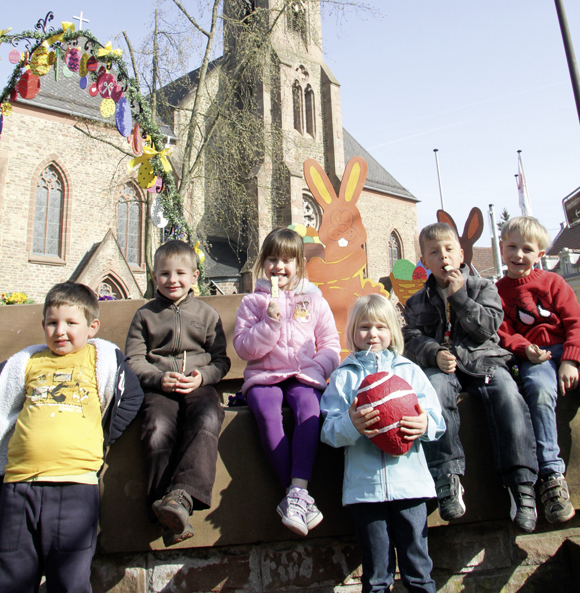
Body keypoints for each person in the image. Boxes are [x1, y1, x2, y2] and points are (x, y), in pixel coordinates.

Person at [0, 282, 144, 593]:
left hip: (75, 487)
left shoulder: (100, 358)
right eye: (52, 323)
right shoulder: (28, 362)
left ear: (92, 327)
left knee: (70, 581)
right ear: (43, 325)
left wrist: (104, 437)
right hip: (19, 485)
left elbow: (132, 397)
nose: (60, 331)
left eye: (70, 323)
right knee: (11, 578)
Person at [402, 222, 539, 533]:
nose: (443, 257)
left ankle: (521, 484)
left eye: (449, 249)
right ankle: (447, 477)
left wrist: (460, 297)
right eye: (434, 252)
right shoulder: (416, 301)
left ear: (461, 255)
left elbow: (487, 328)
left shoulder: (483, 288)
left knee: (508, 394)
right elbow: (411, 339)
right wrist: (434, 353)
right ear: (424, 261)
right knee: (434, 392)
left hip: (484, 363)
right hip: (444, 368)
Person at [321, 294, 444, 593]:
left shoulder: (409, 370)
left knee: (419, 570)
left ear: (392, 331)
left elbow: (437, 420)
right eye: (364, 327)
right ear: (353, 332)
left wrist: (425, 424)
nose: (372, 334)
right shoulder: (343, 377)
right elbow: (328, 430)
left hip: (410, 486)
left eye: (380, 326)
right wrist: (351, 424)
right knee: (376, 575)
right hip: (366, 491)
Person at [233, 227, 340, 536]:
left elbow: (331, 345)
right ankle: (295, 496)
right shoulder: (252, 303)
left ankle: (297, 490)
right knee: (268, 412)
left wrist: (317, 368)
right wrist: (270, 322)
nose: (278, 267)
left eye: (286, 260)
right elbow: (244, 349)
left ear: (299, 265)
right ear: (262, 263)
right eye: (272, 259)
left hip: (302, 375)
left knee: (310, 409)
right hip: (264, 377)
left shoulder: (314, 301)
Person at [125, 240, 230, 546]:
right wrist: (158, 379)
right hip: (159, 388)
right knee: (157, 426)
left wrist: (202, 377)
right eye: (165, 274)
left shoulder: (207, 314)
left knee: (208, 417)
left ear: (194, 276)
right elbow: (133, 360)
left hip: (198, 386)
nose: (173, 280)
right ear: (154, 276)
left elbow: (221, 360)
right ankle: (167, 510)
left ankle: (181, 497)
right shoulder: (145, 315)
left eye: (181, 273)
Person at [497, 216, 577, 524]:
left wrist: (571, 359)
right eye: (512, 247)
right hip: (535, 356)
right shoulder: (498, 291)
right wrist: (523, 348)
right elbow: (503, 331)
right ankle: (552, 475)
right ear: (502, 248)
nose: (518, 255)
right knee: (540, 392)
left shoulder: (553, 283)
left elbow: (574, 322)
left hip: (565, 350)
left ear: (540, 254)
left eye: (527, 249)